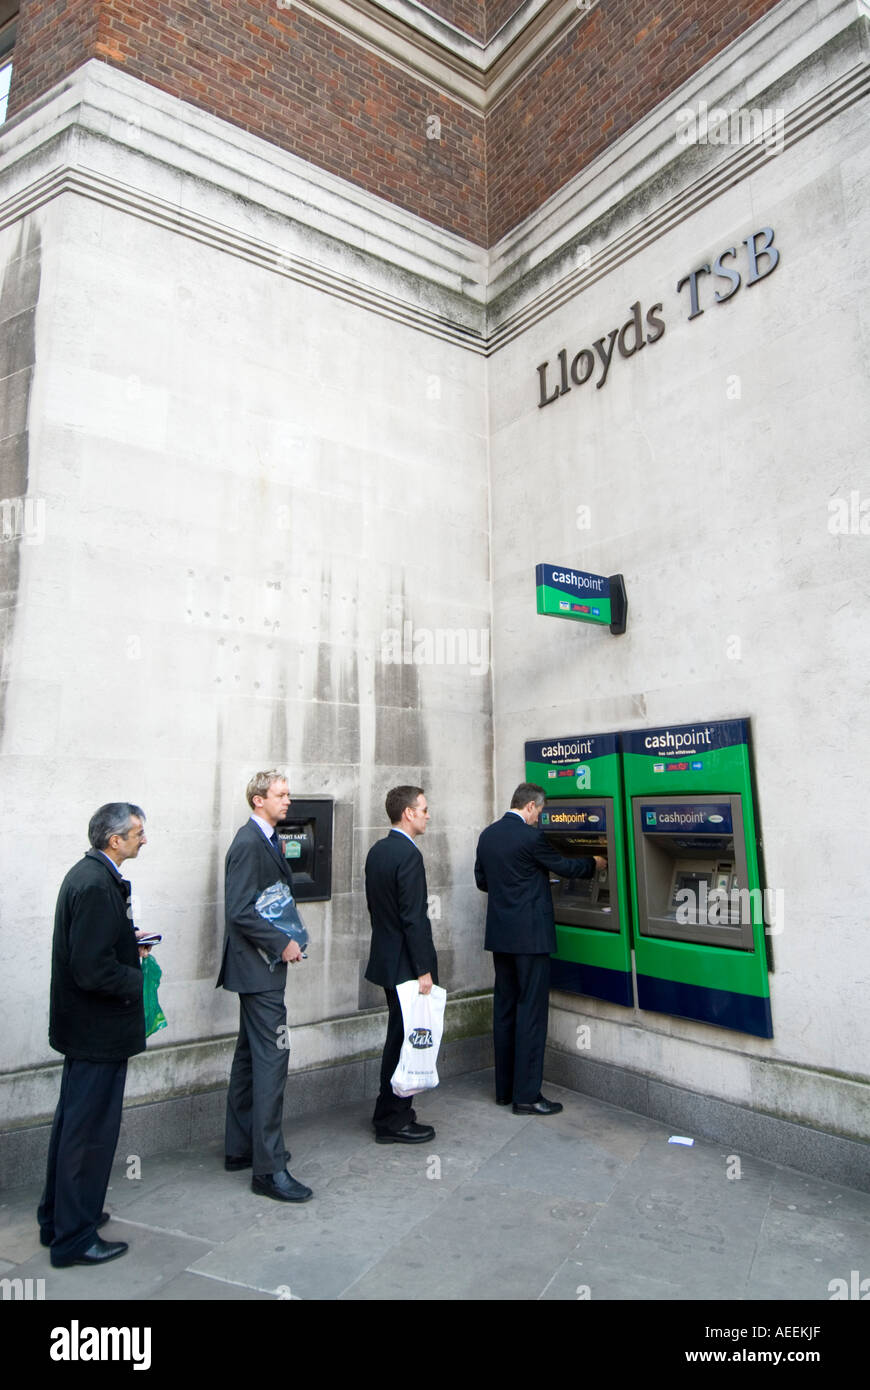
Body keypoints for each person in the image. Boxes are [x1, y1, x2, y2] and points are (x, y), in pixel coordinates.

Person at [38, 803, 151, 1267]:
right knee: (89, 1133)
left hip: (87, 1031)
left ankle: (60, 1218)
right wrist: (137, 976)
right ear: (115, 841)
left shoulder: (93, 877)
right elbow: (91, 969)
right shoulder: (95, 884)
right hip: (96, 1032)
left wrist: (131, 944)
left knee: (74, 1126)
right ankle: (73, 1239)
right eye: (138, 833)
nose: (144, 840)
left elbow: (97, 949)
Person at [474, 783, 606, 1116]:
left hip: (502, 938)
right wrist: (595, 862)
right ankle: (527, 1096)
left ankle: (504, 1090)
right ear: (531, 806)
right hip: (531, 939)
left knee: (505, 1011)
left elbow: (482, 881)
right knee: (531, 1014)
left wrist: (514, 889)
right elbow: (566, 867)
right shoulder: (530, 838)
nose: (539, 817)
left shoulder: (488, 835)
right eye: (540, 811)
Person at [217, 771, 312, 1203]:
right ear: (258, 800)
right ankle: (269, 1170)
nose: (288, 800)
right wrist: (283, 942)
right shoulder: (248, 843)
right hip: (259, 969)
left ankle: (241, 1149)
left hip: (259, 970)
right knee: (273, 1060)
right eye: (281, 794)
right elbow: (238, 911)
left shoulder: (266, 838)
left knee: (249, 1059)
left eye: (288, 793)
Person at [364, 786, 438, 1143]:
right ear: (407, 813)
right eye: (423, 809)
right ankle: (394, 1120)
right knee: (406, 1041)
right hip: (406, 965)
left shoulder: (378, 850)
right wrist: (423, 968)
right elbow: (413, 918)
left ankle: (388, 1113)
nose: (427, 814)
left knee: (399, 1037)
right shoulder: (409, 855)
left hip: (386, 958)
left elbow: (378, 911)